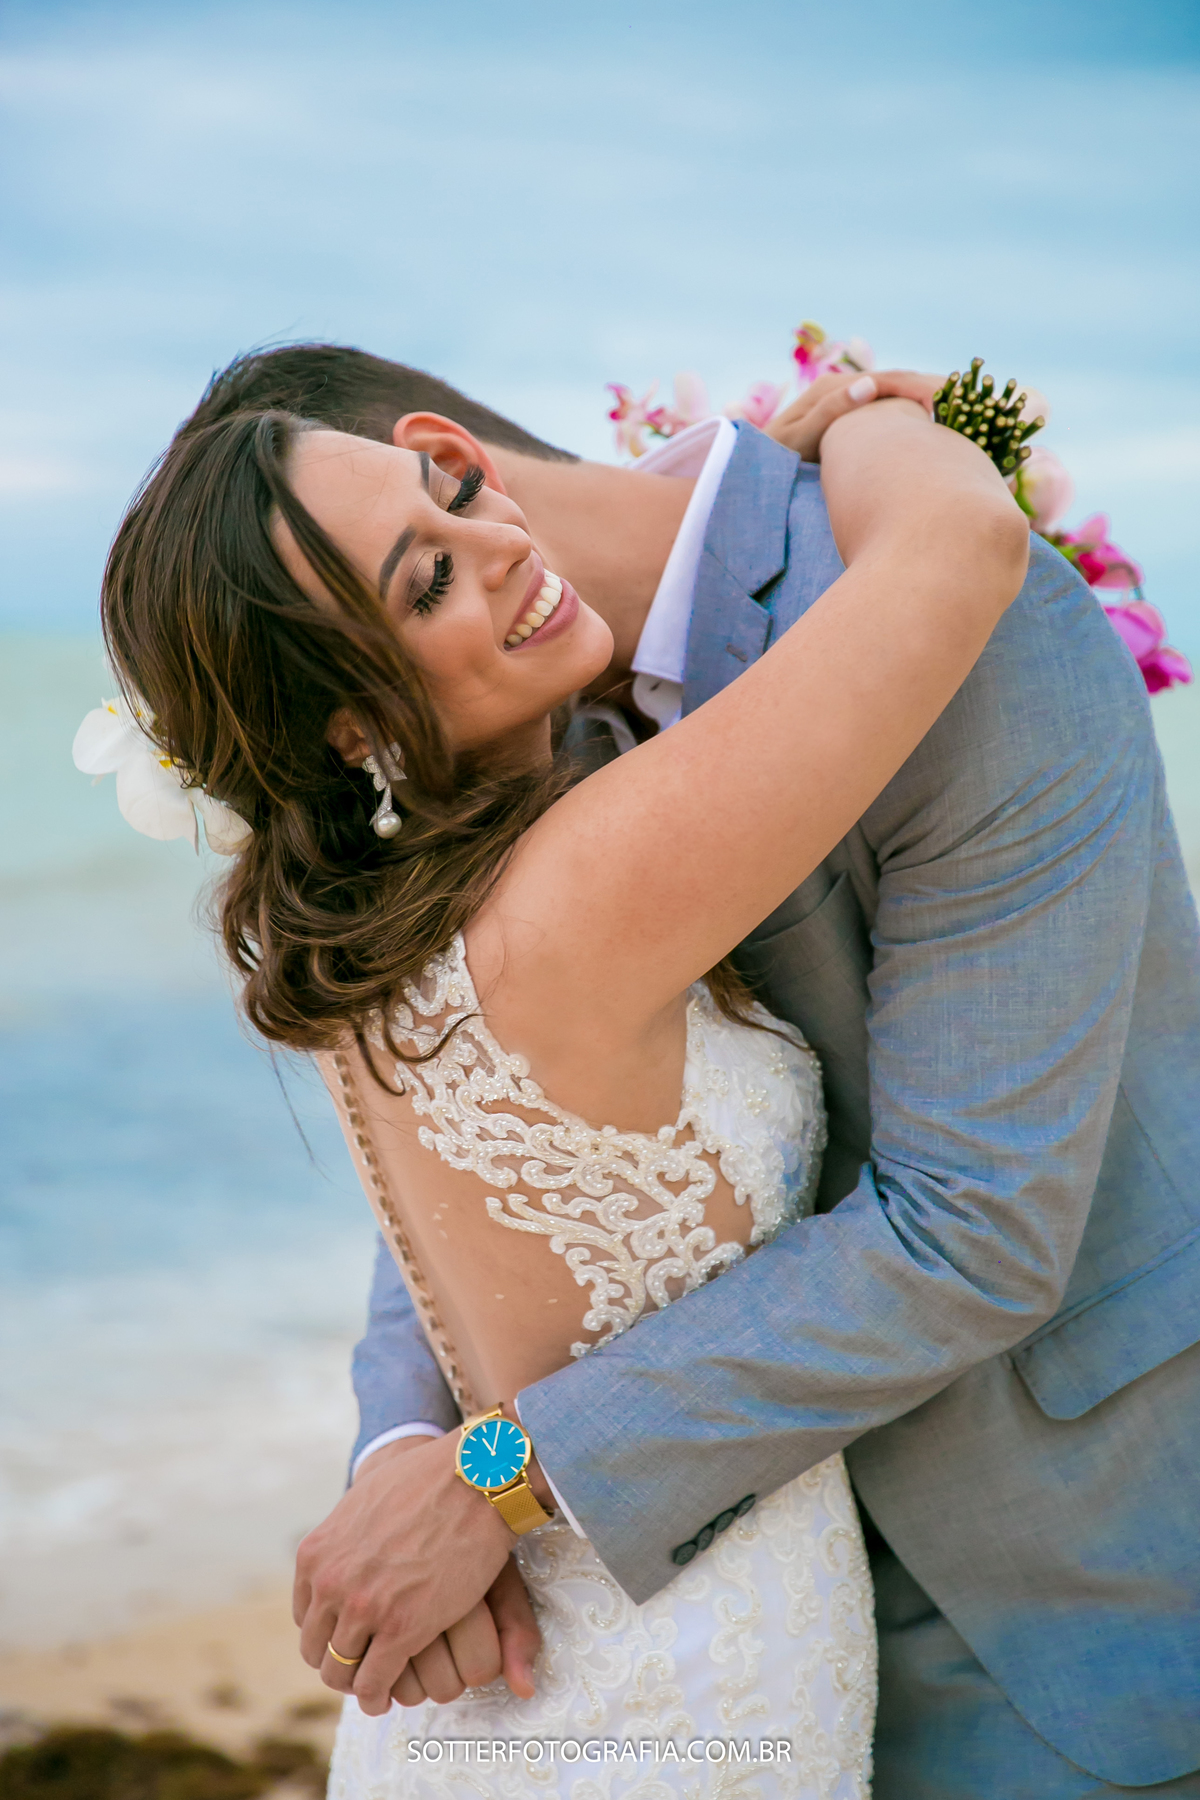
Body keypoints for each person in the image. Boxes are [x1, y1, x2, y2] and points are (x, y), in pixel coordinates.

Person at [102, 341, 1200, 1799]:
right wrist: (406, 1453)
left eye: (449, 498)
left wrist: (498, 1475)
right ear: (349, 725)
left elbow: (979, 1228)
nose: (492, 548)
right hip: (662, 1638)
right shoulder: (513, 760)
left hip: (1047, 1584)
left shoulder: (919, 622)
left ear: (450, 443)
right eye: (420, 581)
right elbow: (479, 1160)